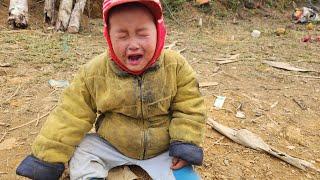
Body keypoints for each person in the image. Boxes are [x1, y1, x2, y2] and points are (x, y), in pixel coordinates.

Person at [16, 0, 206, 179]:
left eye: (142, 33)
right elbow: (70, 113)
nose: (133, 44)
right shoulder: (95, 72)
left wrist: (185, 143)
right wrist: (47, 158)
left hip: (162, 149)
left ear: (159, 32)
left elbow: (189, 105)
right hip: (112, 145)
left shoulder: (176, 66)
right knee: (83, 149)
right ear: (108, 37)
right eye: (122, 36)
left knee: (181, 168)